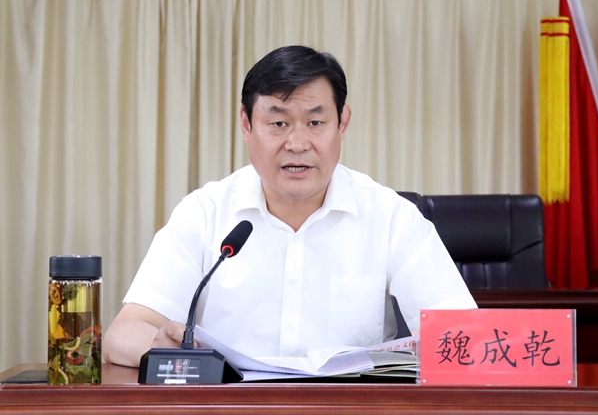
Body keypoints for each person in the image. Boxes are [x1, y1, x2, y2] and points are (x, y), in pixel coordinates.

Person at [103, 45, 476, 367]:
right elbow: (123, 333)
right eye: (279, 123)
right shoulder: (204, 214)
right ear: (246, 124)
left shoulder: (392, 218)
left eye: (315, 122)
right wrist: (165, 349)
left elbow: (466, 337)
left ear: (342, 123)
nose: (297, 144)